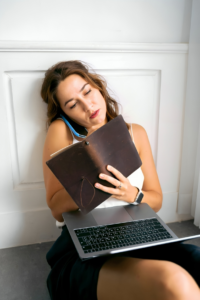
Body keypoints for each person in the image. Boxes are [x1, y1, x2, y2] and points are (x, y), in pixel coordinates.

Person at [41, 60, 200, 300]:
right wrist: (90, 179)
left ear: (98, 87)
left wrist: (132, 194)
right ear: (65, 112)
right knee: (173, 281)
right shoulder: (61, 131)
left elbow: (155, 199)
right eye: (73, 104)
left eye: (88, 92)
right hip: (86, 246)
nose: (87, 105)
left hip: (136, 234)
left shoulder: (136, 132)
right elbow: (55, 207)